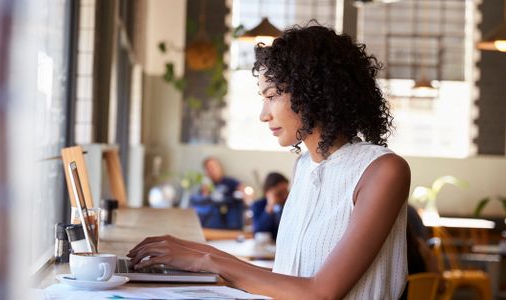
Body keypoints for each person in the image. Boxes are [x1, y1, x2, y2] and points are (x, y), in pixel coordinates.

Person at [128, 23, 410, 299]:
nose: (264, 114)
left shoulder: (383, 171)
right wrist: (193, 251)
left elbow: (320, 292)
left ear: (315, 92)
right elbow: (288, 279)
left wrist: (206, 259)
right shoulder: (303, 166)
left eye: (272, 96)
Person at [189, 157, 245, 230]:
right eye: (208, 168)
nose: (212, 170)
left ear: (219, 167)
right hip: (211, 219)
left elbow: (243, 193)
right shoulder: (206, 184)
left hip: (229, 218)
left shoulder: (231, 182)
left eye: (214, 166)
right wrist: (205, 192)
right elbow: (201, 201)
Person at [251, 172, 289, 241]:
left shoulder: (289, 205)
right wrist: (270, 205)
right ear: (268, 192)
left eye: (286, 191)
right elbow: (258, 230)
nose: (285, 196)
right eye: (280, 193)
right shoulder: (258, 205)